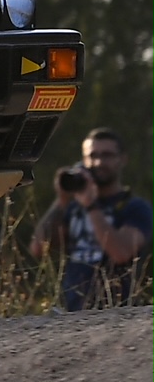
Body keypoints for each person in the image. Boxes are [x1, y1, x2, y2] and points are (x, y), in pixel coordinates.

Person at [30, 128, 153, 311]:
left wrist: (91, 206)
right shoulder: (73, 207)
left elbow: (121, 253)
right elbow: (39, 248)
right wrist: (62, 199)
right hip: (71, 311)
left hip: (117, 311)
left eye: (107, 155)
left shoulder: (135, 208)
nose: (98, 162)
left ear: (123, 159)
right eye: (92, 155)